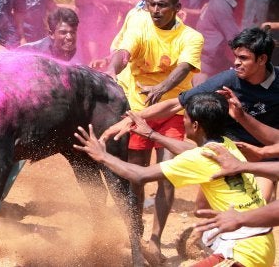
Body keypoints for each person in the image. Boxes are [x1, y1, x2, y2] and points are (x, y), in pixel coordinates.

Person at [74, 92, 275, 266]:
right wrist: (152, 134)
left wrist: (103, 156)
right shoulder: (226, 145)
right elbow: (194, 151)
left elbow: (139, 175)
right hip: (260, 244)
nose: (183, 121)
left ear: (195, 125)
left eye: (185, 118)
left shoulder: (198, 159)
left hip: (243, 252)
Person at [102, 27, 279, 209]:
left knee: (257, 206)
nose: (236, 63)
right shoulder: (228, 79)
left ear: (262, 59)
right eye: (235, 56)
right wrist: (133, 117)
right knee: (202, 209)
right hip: (227, 152)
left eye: (243, 58)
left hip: (265, 157)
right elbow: (176, 104)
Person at [95, 0, 203, 264]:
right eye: (151, 3)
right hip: (136, 112)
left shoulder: (192, 37)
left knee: (167, 174)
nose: (155, 9)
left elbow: (183, 69)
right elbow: (124, 52)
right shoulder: (139, 24)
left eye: (162, 5)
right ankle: (138, 232)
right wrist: (109, 70)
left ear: (177, 8)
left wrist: (160, 88)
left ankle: (155, 238)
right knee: (136, 175)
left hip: (172, 112)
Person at [193, 0, 243, 84]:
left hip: (211, 62)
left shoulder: (218, 0)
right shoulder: (221, 5)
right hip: (206, 66)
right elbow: (235, 38)